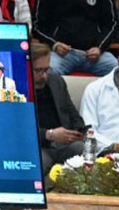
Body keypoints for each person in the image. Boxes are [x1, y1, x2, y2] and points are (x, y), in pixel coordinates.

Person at [31, 41, 86, 173]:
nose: (44, 76)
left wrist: (79, 131)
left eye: (46, 69)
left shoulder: (56, 81)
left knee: (84, 150)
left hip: (63, 144)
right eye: (38, 70)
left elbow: (73, 114)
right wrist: (50, 135)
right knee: (37, 164)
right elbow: (19, 131)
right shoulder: (17, 90)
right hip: (37, 146)